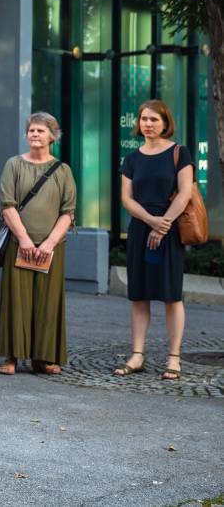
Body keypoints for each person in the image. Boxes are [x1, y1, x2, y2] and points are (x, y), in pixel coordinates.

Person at [113, 100, 194, 381]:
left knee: (171, 295)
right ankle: (137, 355)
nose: (148, 124)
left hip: (170, 230)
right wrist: (150, 222)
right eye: (144, 119)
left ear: (165, 122)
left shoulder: (179, 153)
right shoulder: (132, 158)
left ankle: (174, 358)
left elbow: (185, 193)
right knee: (139, 294)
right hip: (141, 228)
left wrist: (164, 224)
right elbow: (126, 198)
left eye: (154, 120)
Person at [0, 112, 76, 375]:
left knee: (48, 301)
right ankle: (12, 356)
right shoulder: (14, 164)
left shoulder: (63, 171)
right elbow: (7, 205)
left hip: (51, 246)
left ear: (53, 136)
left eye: (41, 131)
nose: (35, 134)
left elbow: (68, 212)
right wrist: (25, 239)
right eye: (31, 130)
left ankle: (43, 357)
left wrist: (49, 243)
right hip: (19, 243)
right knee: (16, 299)